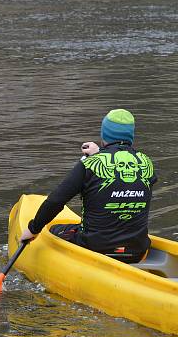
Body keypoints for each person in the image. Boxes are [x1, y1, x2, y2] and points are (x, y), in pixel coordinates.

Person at [19, 109, 157, 263]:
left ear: (104, 135)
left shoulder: (89, 164)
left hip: (95, 248)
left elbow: (56, 201)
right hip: (137, 250)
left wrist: (33, 229)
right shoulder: (146, 163)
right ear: (131, 136)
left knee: (53, 230)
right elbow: (121, 179)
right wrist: (101, 153)